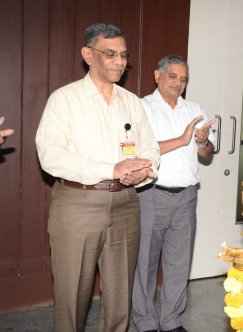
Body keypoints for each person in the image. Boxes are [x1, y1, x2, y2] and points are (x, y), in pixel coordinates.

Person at [35, 23, 160, 332]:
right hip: (77, 204)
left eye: (124, 55)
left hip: (125, 204)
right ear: (88, 54)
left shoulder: (132, 102)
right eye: (111, 54)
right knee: (72, 297)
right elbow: (51, 155)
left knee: (120, 297)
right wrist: (112, 169)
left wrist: (142, 173)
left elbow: (151, 149)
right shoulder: (64, 99)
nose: (120, 61)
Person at [131, 55, 215, 332]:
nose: (179, 83)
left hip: (186, 196)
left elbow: (206, 154)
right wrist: (182, 139)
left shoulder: (194, 109)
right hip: (151, 194)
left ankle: (170, 320)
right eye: (173, 76)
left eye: (184, 79)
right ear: (157, 75)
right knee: (145, 262)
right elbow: (141, 150)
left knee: (179, 262)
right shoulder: (141, 107)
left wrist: (202, 141)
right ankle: (144, 321)